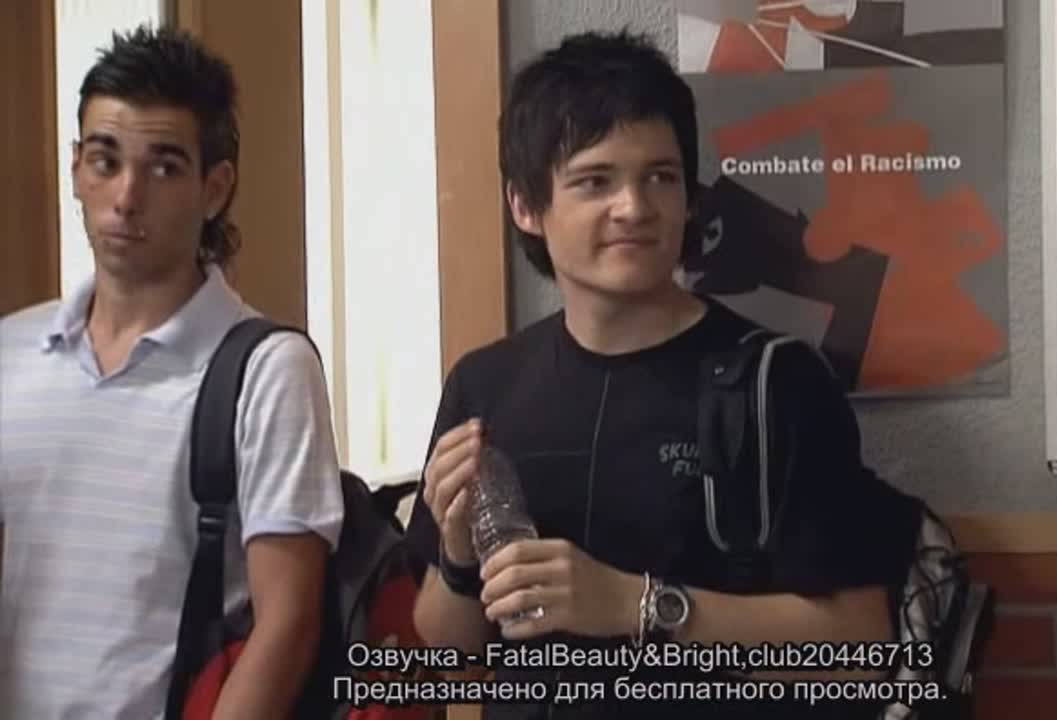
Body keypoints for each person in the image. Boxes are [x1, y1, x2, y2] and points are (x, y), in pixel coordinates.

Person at [406, 30, 905, 719]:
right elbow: (455, 660)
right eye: (595, 181)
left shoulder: (776, 383)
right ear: (525, 205)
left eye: (661, 177)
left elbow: (858, 651)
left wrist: (637, 604)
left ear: (690, 197)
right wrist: (459, 554)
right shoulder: (484, 385)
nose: (635, 208)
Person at [0, 25, 344, 719]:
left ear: (215, 188)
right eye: (104, 161)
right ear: (75, 169)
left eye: (163, 168)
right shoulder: (12, 352)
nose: (126, 197)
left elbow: (287, 625)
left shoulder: (266, 370)